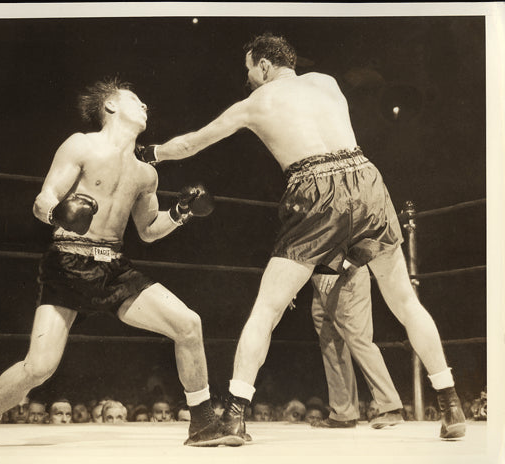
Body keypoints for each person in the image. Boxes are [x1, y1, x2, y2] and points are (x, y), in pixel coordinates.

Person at [138, 32, 465, 441]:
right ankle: (450, 403)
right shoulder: (326, 82)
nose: (249, 79)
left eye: (249, 70)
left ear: (263, 64)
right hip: (367, 179)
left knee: (267, 308)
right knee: (403, 301)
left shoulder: (256, 103)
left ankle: (235, 416)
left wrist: (150, 154)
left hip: (313, 188)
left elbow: (191, 143)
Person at [0, 77, 242, 449]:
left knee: (189, 324)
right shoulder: (82, 145)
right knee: (39, 367)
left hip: (115, 268)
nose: (145, 105)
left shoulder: (147, 172)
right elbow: (43, 199)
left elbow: (147, 230)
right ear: (111, 107)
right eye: (135, 99)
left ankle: (203, 423)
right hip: (68, 260)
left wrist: (180, 213)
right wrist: (58, 215)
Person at [310, 263, 404, 429]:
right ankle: (343, 412)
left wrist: (338, 266)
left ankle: (391, 406)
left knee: (358, 338)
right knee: (330, 341)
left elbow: (358, 237)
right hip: (319, 275)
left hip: (344, 272)